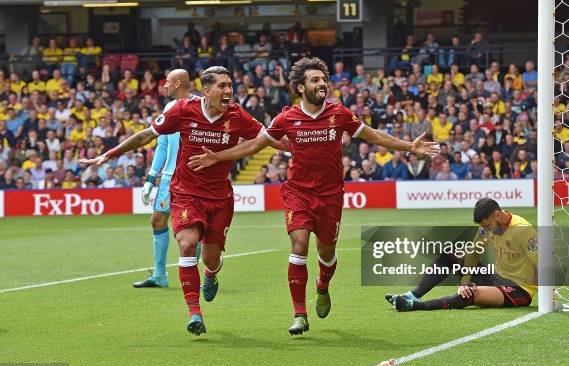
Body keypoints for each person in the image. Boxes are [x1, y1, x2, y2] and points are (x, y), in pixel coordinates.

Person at [187, 57, 438, 335]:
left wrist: (408, 147)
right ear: (299, 87)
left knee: (327, 252)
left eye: (323, 79)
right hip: (298, 192)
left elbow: (373, 136)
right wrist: (217, 158)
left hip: (330, 195)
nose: (322, 84)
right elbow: (255, 145)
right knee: (299, 244)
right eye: (315, 80)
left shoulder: (339, 113)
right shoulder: (286, 118)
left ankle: (322, 286)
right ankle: (299, 314)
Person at [80, 66, 287, 336]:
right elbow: (146, 135)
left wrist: (304, 145)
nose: (228, 91)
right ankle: (194, 313)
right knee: (188, 244)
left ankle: (212, 275)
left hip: (219, 196)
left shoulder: (238, 116)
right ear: (206, 90)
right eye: (222, 86)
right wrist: (111, 154)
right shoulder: (181, 109)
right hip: (186, 192)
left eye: (230, 86)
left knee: (211, 257)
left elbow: (268, 139)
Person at [386, 198, 537, 311]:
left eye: (487, 225)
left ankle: (414, 306)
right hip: (495, 277)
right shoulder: (486, 227)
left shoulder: (523, 229)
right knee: (450, 253)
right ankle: (413, 295)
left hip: (519, 289)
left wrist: (549, 293)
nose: (485, 229)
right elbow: (474, 253)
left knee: (471, 294)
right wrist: (465, 281)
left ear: (497, 214)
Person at [133, 69, 194, 289]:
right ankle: (160, 275)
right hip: (169, 177)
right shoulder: (169, 108)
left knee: (193, 228)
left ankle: (197, 272)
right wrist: (150, 179)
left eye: (167, 82)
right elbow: (163, 145)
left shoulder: (201, 106)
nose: (164, 86)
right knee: (157, 220)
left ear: (178, 83)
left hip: (192, 177)